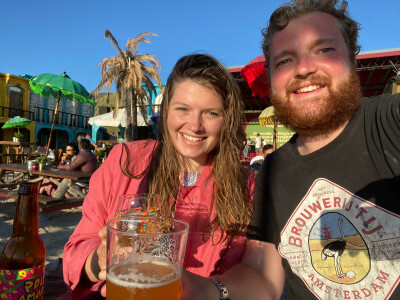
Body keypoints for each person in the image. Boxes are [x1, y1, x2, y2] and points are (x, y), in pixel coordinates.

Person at [181, 1, 400, 299]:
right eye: (284, 60)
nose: (304, 68)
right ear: (271, 78)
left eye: (324, 50)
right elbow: (261, 275)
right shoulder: (273, 171)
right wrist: (203, 289)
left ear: (351, 59)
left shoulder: (387, 122)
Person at [62, 54, 254, 298]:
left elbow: (248, 275)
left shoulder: (245, 186)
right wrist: (99, 258)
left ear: (227, 119)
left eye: (211, 113)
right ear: (166, 112)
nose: (195, 125)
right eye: (182, 109)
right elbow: (75, 251)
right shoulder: (125, 162)